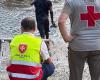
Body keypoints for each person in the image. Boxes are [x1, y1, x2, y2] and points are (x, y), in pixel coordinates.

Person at [58, 0, 100, 80]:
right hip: (98, 46)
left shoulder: (71, 2)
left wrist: (66, 38)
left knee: (75, 76)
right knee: (96, 77)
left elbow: (61, 21)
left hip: (77, 46)